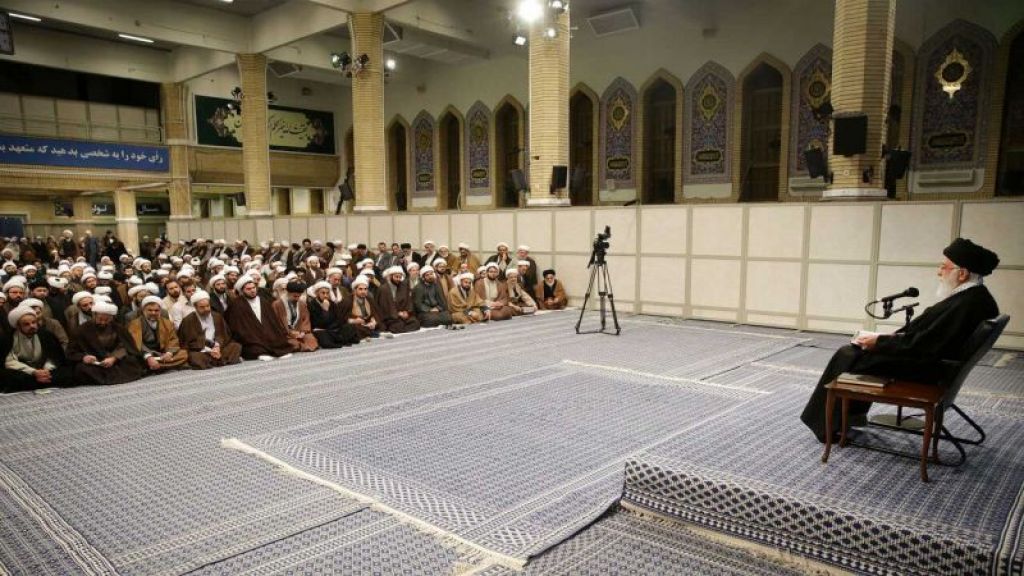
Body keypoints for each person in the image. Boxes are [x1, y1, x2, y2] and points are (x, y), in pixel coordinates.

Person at [800, 238, 1001, 443]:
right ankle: (849, 418)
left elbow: (927, 345)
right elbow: (931, 337)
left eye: (943, 267)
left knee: (849, 354)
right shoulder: (973, 297)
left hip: (927, 369)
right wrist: (886, 339)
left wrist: (880, 343)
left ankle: (827, 427)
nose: (939, 272)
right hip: (933, 362)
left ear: (962, 273)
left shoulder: (968, 303)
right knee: (856, 351)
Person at [65, 300, 145, 386]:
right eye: (100, 319)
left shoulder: (118, 328)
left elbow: (125, 346)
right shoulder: (81, 330)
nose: (103, 322)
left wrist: (114, 358)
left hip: (116, 359)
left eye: (106, 320)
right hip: (96, 363)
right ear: (94, 315)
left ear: (111, 318)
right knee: (81, 368)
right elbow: (71, 352)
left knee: (132, 361)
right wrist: (84, 357)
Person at [2, 306, 74, 392]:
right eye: (26, 324)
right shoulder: (8, 339)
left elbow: (54, 358)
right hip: (24, 371)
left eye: (34, 322)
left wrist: (45, 371)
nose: (32, 326)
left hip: (45, 369)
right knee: (11, 377)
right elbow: (9, 362)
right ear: (18, 326)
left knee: (66, 373)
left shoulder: (46, 335)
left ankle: (40, 381)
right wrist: (33, 372)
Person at [224, 276, 294, 361]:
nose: (252, 290)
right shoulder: (236, 305)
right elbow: (237, 327)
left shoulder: (264, 301)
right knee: (255, 348)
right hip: (250, 337)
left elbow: (273, 321)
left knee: (279, 341)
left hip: (267, 333)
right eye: (248, 289)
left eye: (253, 288)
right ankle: (260, 353)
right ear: (242, 291)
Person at [178, 290, 242, 370]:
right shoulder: (188, 320)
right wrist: (208, 350)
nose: (206, 309)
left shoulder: (217, 316)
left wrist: (217, 346)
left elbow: (224, 335)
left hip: (218, 348)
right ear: (195, 307)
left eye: (207, 306)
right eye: (202, 307)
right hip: (202, 350)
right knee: (195, 357)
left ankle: (215, 360)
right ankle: (220, 360)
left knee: (235, 346)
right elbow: (188, 342)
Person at [128, 296, 188, 372]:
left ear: (160, 311)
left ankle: (156, 367)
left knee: (183, 354)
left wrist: (169, 353)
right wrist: (148, 357)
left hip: (162, 354)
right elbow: (137, 343)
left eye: (156, 310)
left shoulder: (167, 323)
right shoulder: (134, 324)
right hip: (145, 354)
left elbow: (173, 340)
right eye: (150, 310)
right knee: (133, 360)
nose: (153, 313)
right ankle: (163, 365)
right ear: (143, 310)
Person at [306, 281, 361, 348]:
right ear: (317, 293)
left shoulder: (331, 303)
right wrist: (325, 311)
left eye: (327, 293)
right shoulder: (312, 305)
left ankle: (339, 339)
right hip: (322, 330)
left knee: (350, 327)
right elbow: (317, 323)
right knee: (322, 336)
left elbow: (337, 319)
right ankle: (340, 340)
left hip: (333, 329)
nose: (325, 295)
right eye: (323, 293)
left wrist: (334, 327)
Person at [272, 281, 319, 352]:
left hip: (299, 331)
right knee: (290, 342)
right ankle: (300, 346)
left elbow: (306, 319)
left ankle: (301, 346)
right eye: (295, 296)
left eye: (299, 296)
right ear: (288, 293)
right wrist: (290, 332)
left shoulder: (302, 304)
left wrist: (302, 332)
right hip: (284, 333)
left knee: (311, 339)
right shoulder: (277, 304)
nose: (297, 298)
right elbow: (275, 322)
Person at [376, 266, 421, 334]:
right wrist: (398, 314)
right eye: (396, 277)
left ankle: (402, 328)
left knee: (416, 323)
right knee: (397, 326)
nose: (398, 279)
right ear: (391, 276)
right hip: (391, 317)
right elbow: (384, 307)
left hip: (403, 314)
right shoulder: (383, 289)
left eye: (400, 277)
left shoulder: (403, 286)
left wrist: (407, 311)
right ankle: (401, 327)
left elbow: (408, 301)